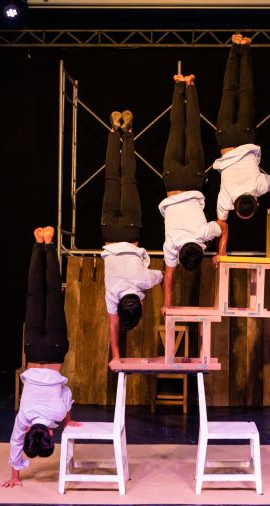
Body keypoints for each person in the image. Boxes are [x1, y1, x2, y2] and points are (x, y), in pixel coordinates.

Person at [1, 227, 81, 488]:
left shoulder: (57, 415)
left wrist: (68, 422)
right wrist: (14, 475)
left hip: (55, 350)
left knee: (53, 296)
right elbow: (15, 443)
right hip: (34, 349)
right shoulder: (23, 418)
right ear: (29, 431)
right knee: (35, 295)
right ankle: (39, 244)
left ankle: (49, 245)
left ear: (49, 433)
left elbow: (67, 394)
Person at [159, 74, 226, 313]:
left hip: (195, 179)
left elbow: (224, 226)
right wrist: (167, 303)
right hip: (173, 180)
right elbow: (168, 276)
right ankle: (179, 84)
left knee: (192, 129)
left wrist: (221, 253)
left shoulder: (203, 234)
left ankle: (191, 84)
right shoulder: (172, 246)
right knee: (177, 129)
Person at [101, 111, 163, 360]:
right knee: (111, 178)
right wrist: (115, 355)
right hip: (109, 231)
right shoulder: (111, 293)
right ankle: (114, 132)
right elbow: (113, 324)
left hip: (131, 229)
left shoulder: (144, 281)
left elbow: (165, 273)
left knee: (128, 178)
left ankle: (127, 134)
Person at [213, 34, 270, 257]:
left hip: (245, 135)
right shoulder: (227, 200)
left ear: (255, 203)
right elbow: (221, 224)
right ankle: (234, 47)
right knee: (229, 92)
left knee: (246, 92)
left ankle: (245, 48)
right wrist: (221, 253)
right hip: (225, 139)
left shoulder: (259, 187)